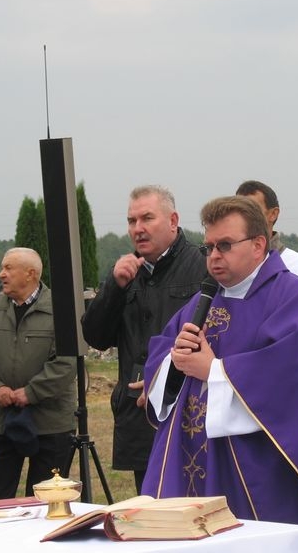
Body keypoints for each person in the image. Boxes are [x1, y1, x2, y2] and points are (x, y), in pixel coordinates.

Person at [141, 196, 298, 553]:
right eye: (208, 246)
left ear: (258, 245)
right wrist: (173, 361)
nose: (214, 256)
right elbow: (163, 353)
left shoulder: (296, 300)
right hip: (191, 457)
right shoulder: (202, 301)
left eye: (225, 245)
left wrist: (213, 370)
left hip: (257, 470)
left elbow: (292, 380)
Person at [81, 185, 207, 493]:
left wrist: (162, 376)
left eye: (147, 218)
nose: (138, 228)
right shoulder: (125, 273)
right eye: (131, 221)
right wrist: (114, 287)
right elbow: (96, 337)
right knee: (149, 506)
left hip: (187, 411)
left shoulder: (201, 267)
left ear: (173, 221)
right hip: (138, 416)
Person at [0, 247, 77, 499]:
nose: (1, 274)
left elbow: (66, 362)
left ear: (30, 274)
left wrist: (31, 392)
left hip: (51, 424)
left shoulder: (61, 309)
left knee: (46, 501)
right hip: (5, 421)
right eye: (2, 268)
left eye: (8, 268)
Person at [235, 180, 298, 291]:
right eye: (239, 210)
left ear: (273, 214)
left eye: (253, 209)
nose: (244, 216)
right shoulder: (228, 264)